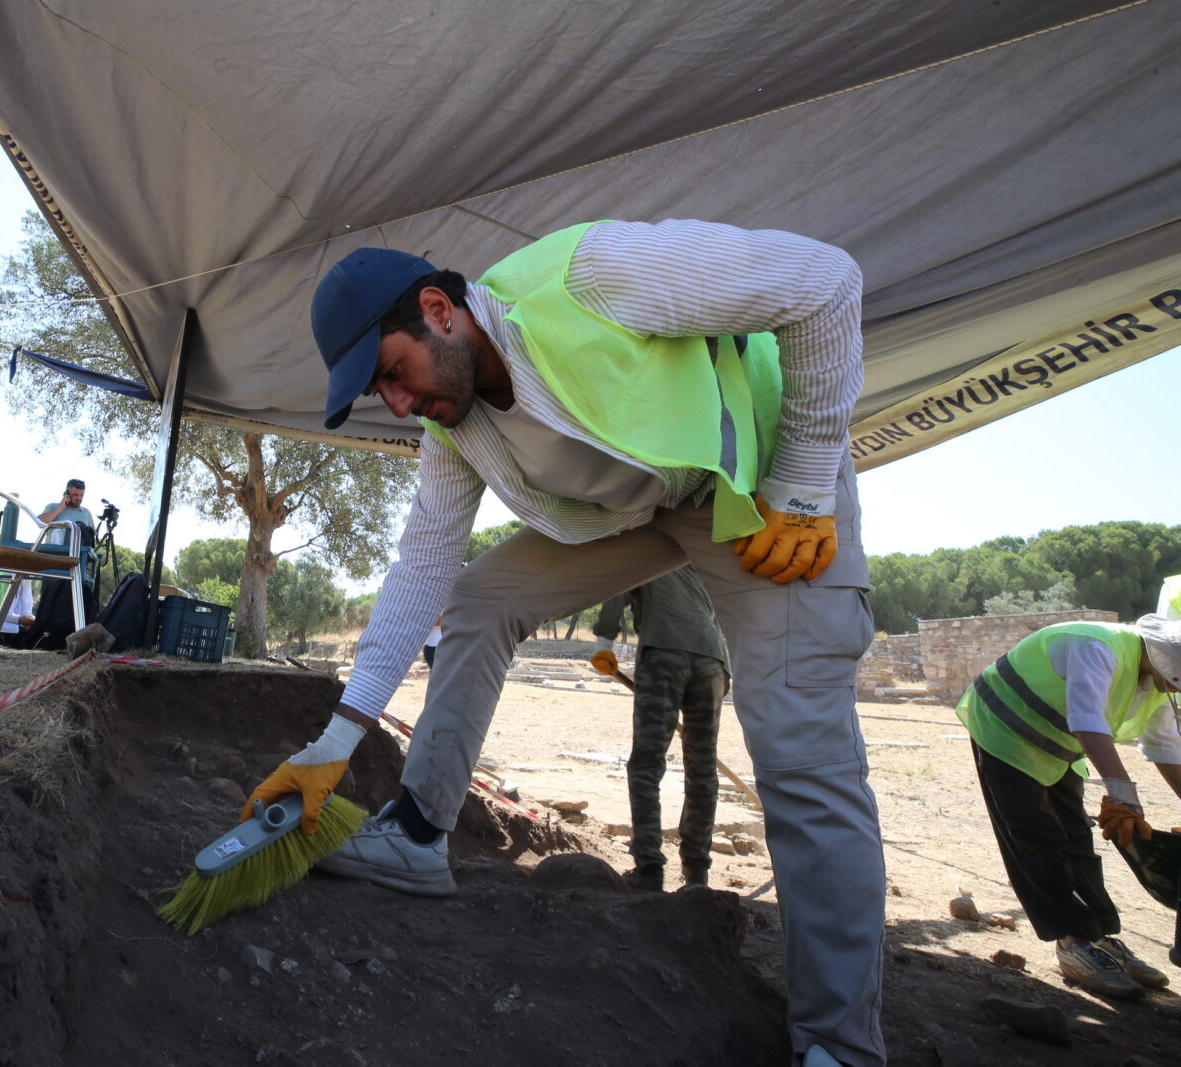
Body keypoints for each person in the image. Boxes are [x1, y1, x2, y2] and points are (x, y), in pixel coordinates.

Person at [244, 219, 881, 1066]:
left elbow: (826, 280)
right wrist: (337, 739)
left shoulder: (596, 276)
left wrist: (804, 481)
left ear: (439, 309)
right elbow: (421, 571)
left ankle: (838, 1043)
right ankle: (418, 834)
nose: (397, 405)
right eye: (380, 393)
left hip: (766, 495)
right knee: (479, 596)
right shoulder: (453, 428)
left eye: (392, 373)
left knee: (802, 750)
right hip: (647, 509)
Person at [955, 614, 1181, 998]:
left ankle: (1100, 936)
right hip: (1005, 726)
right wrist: (1121, 790)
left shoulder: (1160, 684)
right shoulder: (1097, 647)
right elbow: (1087, 719)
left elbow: (1164, 746)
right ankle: (1073, 944)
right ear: (1164, 662)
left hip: (1055, 744)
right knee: (1037, 836)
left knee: (1077, 834)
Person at [593, 566, 729, 893]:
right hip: (713, 661)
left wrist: (603, 641)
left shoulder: (648, 549)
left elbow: (619, 584)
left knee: (646, 763)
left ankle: (649, 868)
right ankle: (697, 873)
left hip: (663, 653)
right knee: (702, 769)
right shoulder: (696, 557)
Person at [38, 478, 94, 546]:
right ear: (67, 493)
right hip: (52, 553)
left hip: (77, 554)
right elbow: (40, 523)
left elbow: (91, 540)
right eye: (75, 495)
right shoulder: (52, 507)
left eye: (81, 495)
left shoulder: (86, 513)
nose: (79, 498)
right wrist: (60, 508)